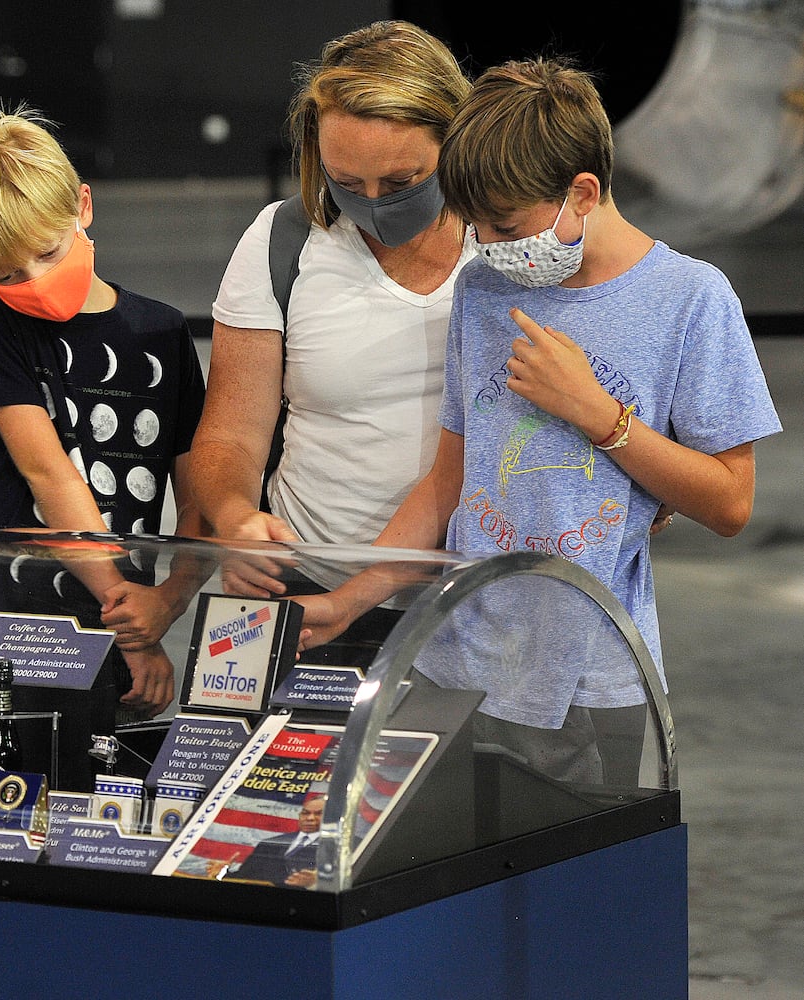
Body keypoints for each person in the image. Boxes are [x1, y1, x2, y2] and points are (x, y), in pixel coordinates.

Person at [295, 58, 782, 780]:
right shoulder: (484, 289)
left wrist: (600, 417)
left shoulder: (691, 299)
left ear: (581, 192)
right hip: (455, 658)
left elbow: (729, 502)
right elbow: (448, 481)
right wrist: (347, 601)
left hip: (589, 679)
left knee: (574, 880)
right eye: (477, 228)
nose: (489, 246)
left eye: (505, 225)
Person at [190, 20, 476, 664]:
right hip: (307, 591)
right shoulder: (280, 242)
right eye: (346, 182)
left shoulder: (510, 246)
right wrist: (237, 520)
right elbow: (230, 435)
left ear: (456, 141)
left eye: (401, 184)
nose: (372, 204)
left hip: (476, 599)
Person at [0, 105, 210, 731]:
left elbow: (202, 498)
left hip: (119, 616)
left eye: (49, 254)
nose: (32, 283)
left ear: (83, 206)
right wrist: (134, 625)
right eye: (5, 274)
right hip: (2, 620)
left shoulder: (160, 330)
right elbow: (48, 474)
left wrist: (165, 603)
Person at [232, 793, 324, 889]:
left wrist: (314, 883)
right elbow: (243, 876)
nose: (310, 818)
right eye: (305, 813)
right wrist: (221, 873)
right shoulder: (269, 843)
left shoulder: (336, 848)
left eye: (319, 813)